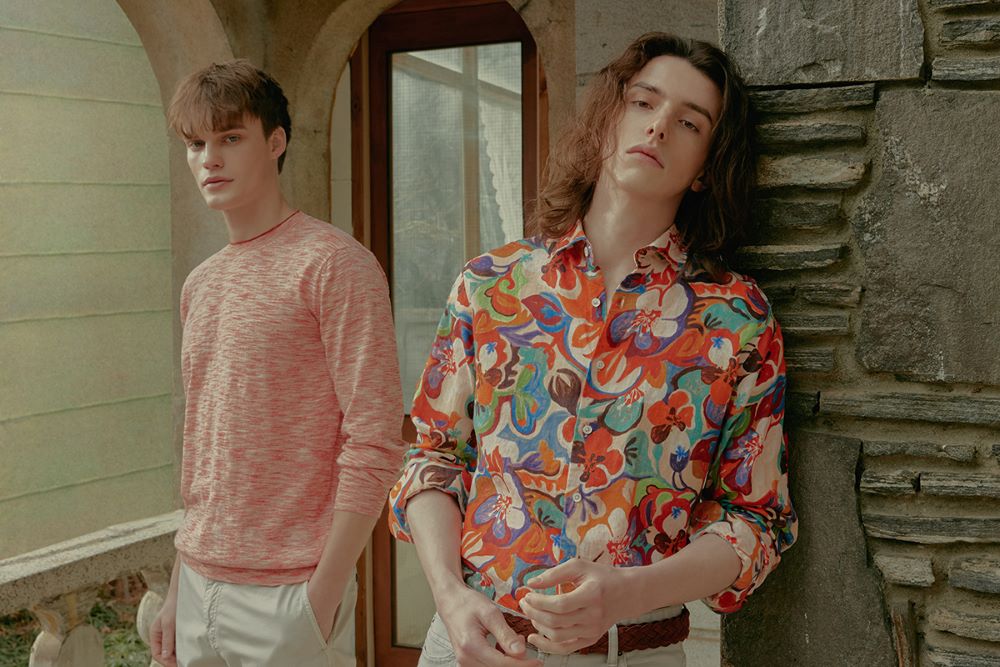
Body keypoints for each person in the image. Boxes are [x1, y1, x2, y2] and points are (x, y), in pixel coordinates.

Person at [388, 32, 797, 667]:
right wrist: (447, 595)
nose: (658, 127)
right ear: (608, 115)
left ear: (706, 167)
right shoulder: (491, 285)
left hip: (632, 653)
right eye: (643, 102)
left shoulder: (737, 321)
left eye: (690, 122)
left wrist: (627, 592)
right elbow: (433, 458)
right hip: (472, 642)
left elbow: (756, 520)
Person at [148, 60, 404, 667]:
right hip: (198, 587)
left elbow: (375, 437)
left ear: (276, 141)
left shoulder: (334, 264)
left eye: (231, 137)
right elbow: (205, 448)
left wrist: (324, 591)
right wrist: (180, 586)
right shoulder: (200, 284)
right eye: (196, 144)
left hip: (291, 594)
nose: (210, 159)